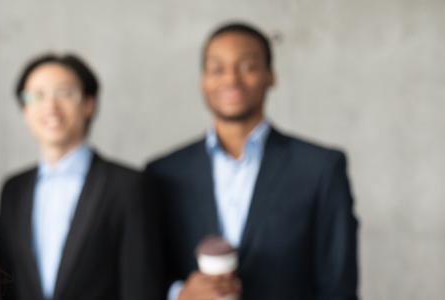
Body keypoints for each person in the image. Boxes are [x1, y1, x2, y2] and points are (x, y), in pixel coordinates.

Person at [145, 22, 359, 300]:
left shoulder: (320, 168)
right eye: (217, 69)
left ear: (271, 76)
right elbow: (143, 274)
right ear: (203, 80)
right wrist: (179, 294)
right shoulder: (163, 173)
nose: (231, 79)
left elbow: (338, 285)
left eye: (247, 66)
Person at [0, 53, 165, 299]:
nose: (51, 107)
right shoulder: (13, 189)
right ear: (25, 110)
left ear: (89, 104)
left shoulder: (129, 186)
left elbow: (141, 285)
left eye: (65, 94)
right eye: (37, 96)